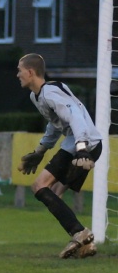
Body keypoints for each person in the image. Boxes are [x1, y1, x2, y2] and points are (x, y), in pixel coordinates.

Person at [15, 53, 102, 259]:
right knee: (53, 192)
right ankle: (84, 244)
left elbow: (75, 116)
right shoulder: (37, 96)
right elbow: (55, 125)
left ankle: (80, 232)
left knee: (39, 187)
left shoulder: (50, 92)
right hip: (87, 144)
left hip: (82, 145)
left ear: (30, 72)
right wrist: (40, 151)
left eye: (19, 70)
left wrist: (81, 147)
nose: (17, 75)